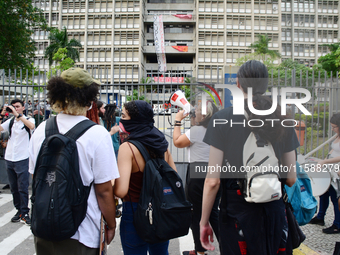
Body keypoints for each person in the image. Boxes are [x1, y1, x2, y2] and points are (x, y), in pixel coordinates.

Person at [200, 60, 298, 255]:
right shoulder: (283, 119)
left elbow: (212, 181)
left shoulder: (223, 118)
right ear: (266, 83)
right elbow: (291, 178)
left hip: (237, 212)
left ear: (238, 84)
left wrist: (204, 222)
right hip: (274, 210)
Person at [28, 67, 119, 255]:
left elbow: (35, 178)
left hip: (44, 227)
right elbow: (103, 191)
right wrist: (111, 224)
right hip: (82, 233)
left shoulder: (41, 130)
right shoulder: (97, 134)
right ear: (88, 99)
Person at [113, 100, 176, 255]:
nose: (121, 120)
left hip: (134, 211)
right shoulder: (161, 144)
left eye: (124, 115)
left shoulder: (127, 148)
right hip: (160, 210)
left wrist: (110, 181)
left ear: (136, 119)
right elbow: (173, 176)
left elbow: (121, 191)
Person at [173, 101, 220, 255]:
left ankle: (199, 250)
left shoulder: (197, 130)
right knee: (213, 211)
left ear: (205, 114)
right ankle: (228, 246)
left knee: (196, 213)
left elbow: (177, 142)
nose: (195, 110)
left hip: (197, 174)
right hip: (215, 171)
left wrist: (178, 121)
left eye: (198, 109)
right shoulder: (216, 128)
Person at [0, 99, 35, 225]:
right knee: (14, 188)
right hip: (9, 158)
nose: (15, 108)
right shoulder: (10, 122)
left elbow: (32, 127)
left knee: (23, 187)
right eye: (13, 107)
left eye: (18, 106)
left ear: (23, 107)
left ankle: (25, 212)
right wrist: (2, 114)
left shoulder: (29, 119)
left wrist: (17, 115)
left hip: (22, 158)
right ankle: (19, 210)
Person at [309, 113, 340, 234]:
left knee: (335, 197)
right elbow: (334, 150)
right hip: (329, 169)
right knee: (323, 193)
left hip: (336, 172)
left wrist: (325, 161)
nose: (332, 129)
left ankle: (337, 224)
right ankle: (320, 217)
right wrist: (322, 161)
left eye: (334, 126)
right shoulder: (337, 136)